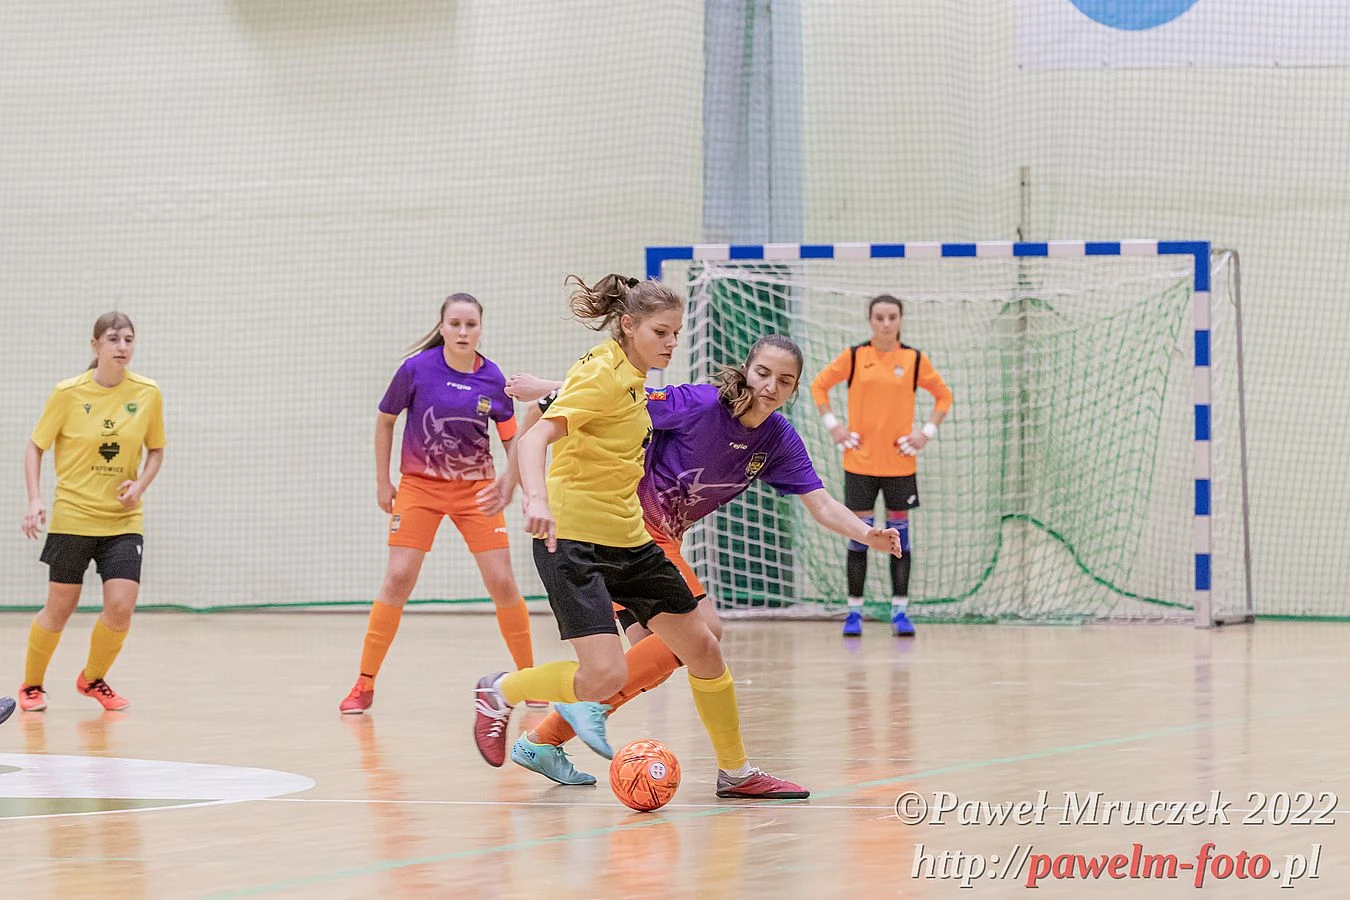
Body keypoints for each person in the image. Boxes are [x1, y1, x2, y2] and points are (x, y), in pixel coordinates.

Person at [497, 334, 903, 785]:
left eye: (784, 381)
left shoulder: (778, 439)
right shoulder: (701, 404)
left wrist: (867, 533)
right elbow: (617, 399)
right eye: (763, 373)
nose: (771, 386)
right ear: (746, 369)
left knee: (663, 656)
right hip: (629, 532)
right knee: (704, 634)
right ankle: (733, 771)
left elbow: (822, 503)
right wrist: (547, 387)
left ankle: (544, 740)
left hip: (650, 545)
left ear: (794, 388)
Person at [470, 274, 808, 800]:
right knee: (603, 676)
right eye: (662, 332)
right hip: (575, 541)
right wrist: (531, 496)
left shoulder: (633, 379)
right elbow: (536, 435)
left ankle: (736, 773)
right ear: (629, 326)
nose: (672, 342)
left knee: (703, 647)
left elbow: (569, 402)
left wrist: (542, 392)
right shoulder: (604, 372)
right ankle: (501, 690)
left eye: (676, 332)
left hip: (631, 539)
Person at [339, 293, 535, 714]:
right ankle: (364, 683)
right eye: (455, 324)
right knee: (398, 577)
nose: (463, 332)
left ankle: (529, 679)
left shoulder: (493, 379)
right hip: (420, 488)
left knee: (502, 581)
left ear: (480, 328)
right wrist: (382, 481)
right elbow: (385, 421)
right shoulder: (416, 369)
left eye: (470, 325)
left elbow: (514, 440)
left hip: (476, 490)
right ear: (442, 327)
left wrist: (514, 484)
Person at [19, 312, 166, 712]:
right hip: (73, 517)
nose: (122, 347)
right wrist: (34, 499)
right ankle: (32, 685)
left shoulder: (148, 393)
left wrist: (140, 485)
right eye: (114, 339)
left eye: (129, 339)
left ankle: (93, 678)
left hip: (123, 520)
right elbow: (35, 446)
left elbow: (156, 450)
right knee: (59, 609)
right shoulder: (68, 393)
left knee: (121, 607)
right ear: (95, 345)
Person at [811, 294, 952, 637]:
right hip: (860, 464)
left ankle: (900, 612)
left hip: (900, 466)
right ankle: (854, 613)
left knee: (899, 538)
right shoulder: (855, 356)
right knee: (859, 536)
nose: (886, 323)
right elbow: (819, 386)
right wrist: (834, 426)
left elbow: (944, 396)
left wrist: (925, 432)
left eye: (892, 317)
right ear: (870, 320)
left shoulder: (914, 359)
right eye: (879, 317)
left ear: (900, 320)